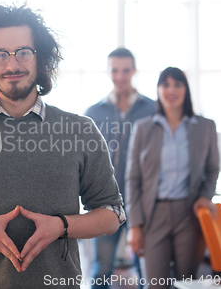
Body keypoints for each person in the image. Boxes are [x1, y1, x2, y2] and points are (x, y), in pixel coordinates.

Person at [0, 3, 125, 289]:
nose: (12, 65)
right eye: (0, 54)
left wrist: (62, 226)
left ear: (41, 60)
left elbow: (112, 214)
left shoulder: (80, 129)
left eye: (24, 52)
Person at [125, 67, 219, 289]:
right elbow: (132, 179)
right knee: (155, 283)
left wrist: (206, 195)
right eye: (165, 84)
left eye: (177, 84)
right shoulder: (142, 128)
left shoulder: (205, 127)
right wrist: (135, 225)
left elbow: (212, 168)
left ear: (186, 89)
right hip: (153, 214)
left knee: (186, 282)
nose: (171, 90)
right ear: (157, 90)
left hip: (189, 214)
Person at [85, 48, 154, 288]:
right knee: (101, 270)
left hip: (143, 206)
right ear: (108, 71)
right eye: (115, 70)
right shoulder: (93, 113)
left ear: (134, 71)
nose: (120, 76)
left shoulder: (153, 110)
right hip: (105, 205)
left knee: (147, 270)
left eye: (126, 70)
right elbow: (86, 162)